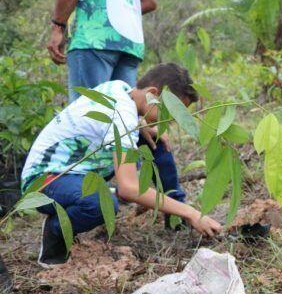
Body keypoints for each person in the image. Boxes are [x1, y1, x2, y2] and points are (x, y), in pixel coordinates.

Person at [21, 63, 222, 268]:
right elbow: (130, 189)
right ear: (152, 94)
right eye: (169, 114)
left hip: (77, 171)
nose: (169, 122)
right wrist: (192, 212)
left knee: (157, 141)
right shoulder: (122, 115)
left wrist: (141, 124)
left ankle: (174, 215)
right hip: (44, 180)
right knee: (99, 203)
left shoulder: (122, 90)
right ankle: (56, 231)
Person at [45, 0, 185, 212]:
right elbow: (150, 0)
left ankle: (94, 205)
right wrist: (125, 11)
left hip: (95, 37)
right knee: (130, 122)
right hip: (129, 42)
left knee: (92, 127)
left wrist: (59, 25)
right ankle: (170, 200)